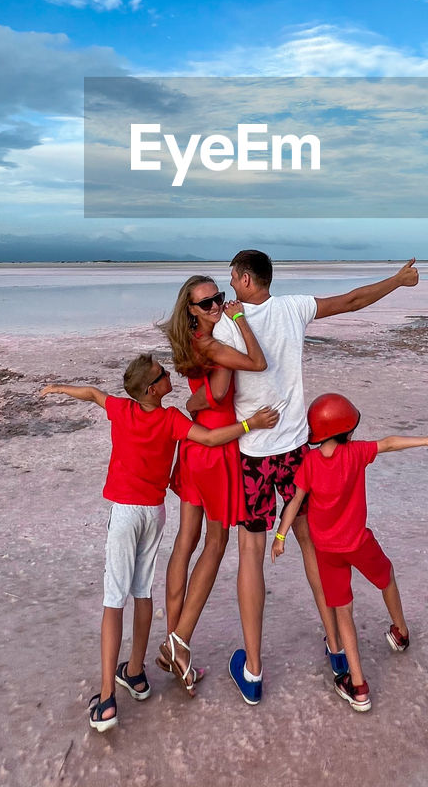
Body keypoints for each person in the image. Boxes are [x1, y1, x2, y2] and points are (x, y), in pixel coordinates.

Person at [210, 249, 420, 704]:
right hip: (294, 451)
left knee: (251, 551)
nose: (229, 289)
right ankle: (337, 648)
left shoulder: (228, 324)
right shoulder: (293, 308)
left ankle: (253, 670)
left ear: (247, 280)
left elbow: (220, 386)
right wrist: (397, 281)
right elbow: (351, 300)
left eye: (232, 279)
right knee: (311, 544)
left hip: (255, 452)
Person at [40, 354, 278, 732]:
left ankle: (105, 699)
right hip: (153, 514)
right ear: (152, 390)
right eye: (163, 375)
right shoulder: (171, 421)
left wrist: (57, 388)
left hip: (126, 514)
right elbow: (212, 438)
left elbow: (91, 394)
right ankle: (135, 672)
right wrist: (250, 424)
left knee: (112, 601)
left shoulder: (123, 410)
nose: (169, 376)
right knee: (141, 592)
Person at [271, 393, 428, 712]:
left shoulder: (309, 463)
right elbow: (390, 443)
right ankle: (401, 632)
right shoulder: (355, 453)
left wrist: (281, 535)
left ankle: (358, 686)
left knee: (343, 614)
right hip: (358, 543)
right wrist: (427, 440)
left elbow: (294, 502)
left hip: (326, 551)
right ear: (345, 430)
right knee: (386, 577)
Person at [157, 275, 268, 693]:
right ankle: (179, 642)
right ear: (190, 309)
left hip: (195, 446)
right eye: (206, 304)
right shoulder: (214, 343)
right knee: (216, 544)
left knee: (186, 541)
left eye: (218, 299)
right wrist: (240, 322)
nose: (216, 306)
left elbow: (201, 397)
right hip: (219, 451)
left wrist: (192, 401)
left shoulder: (190, 340)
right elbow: (246, 373)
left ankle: (173, 637)